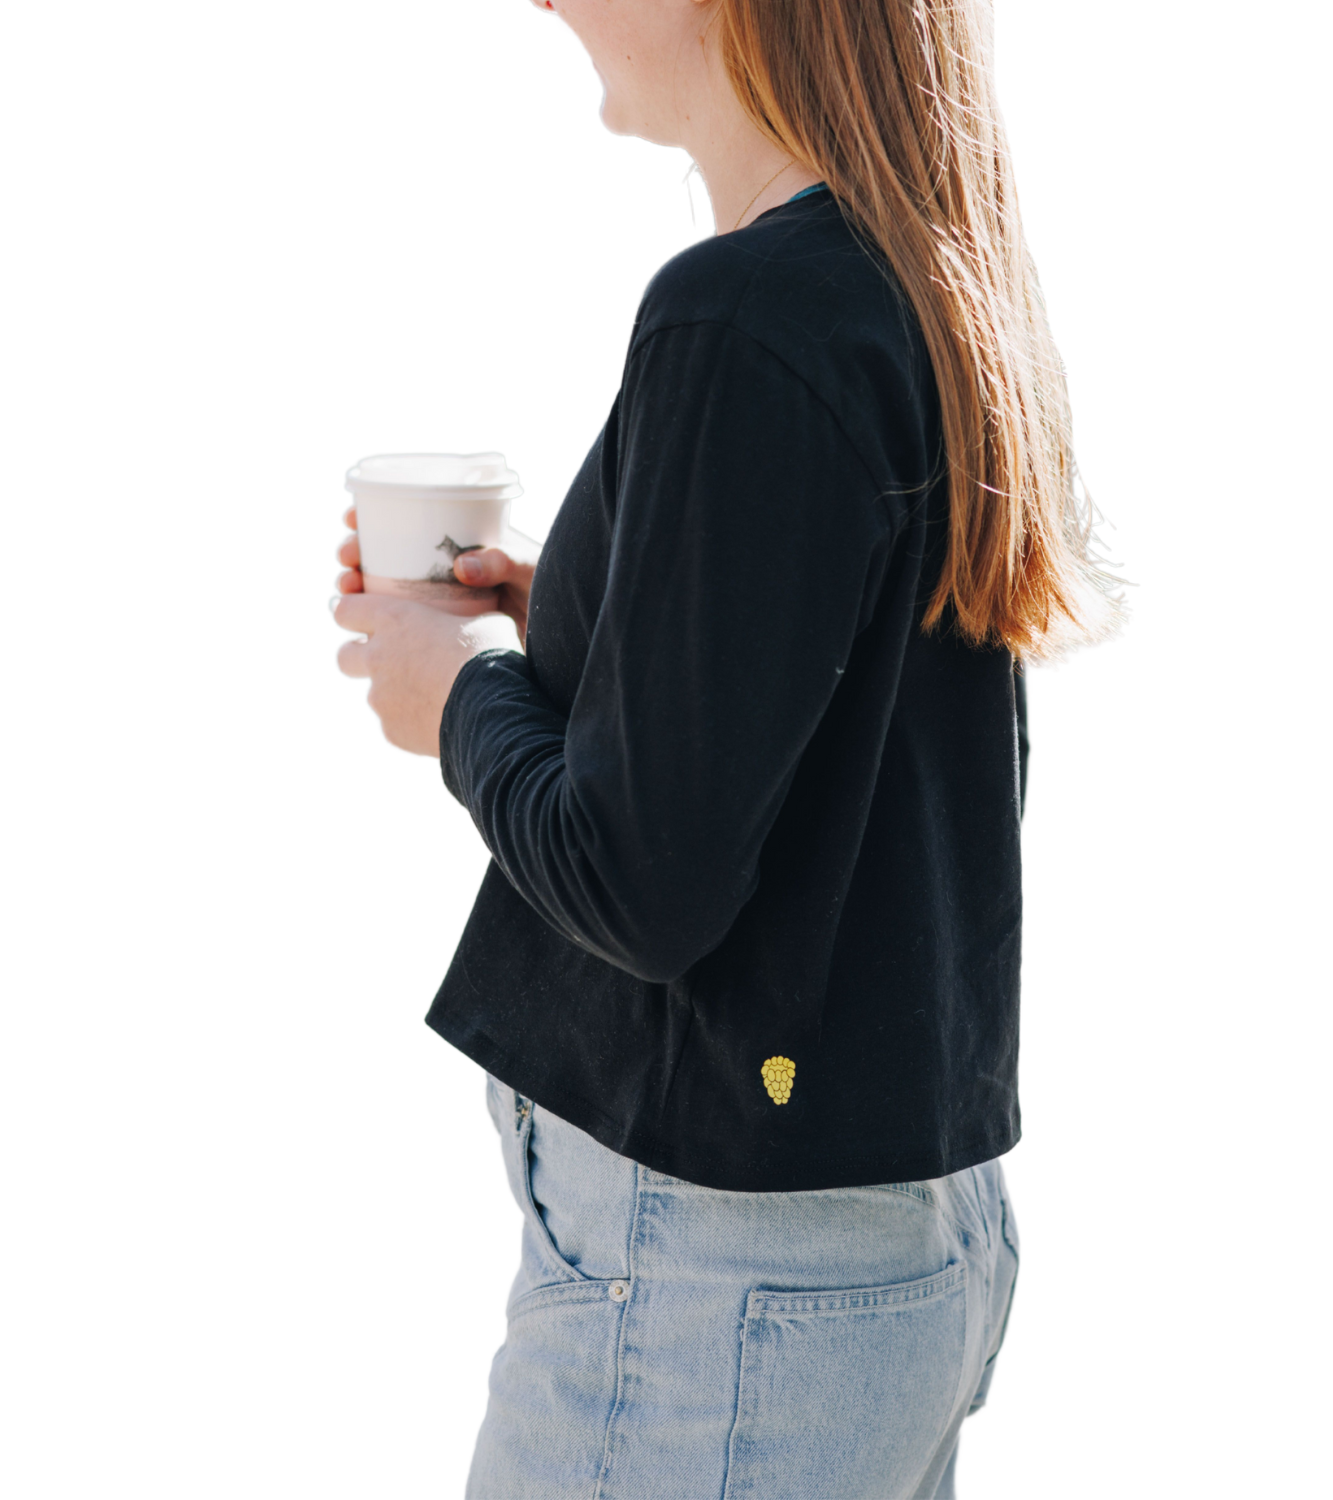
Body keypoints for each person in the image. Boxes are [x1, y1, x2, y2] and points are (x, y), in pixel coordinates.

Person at [333, 0, 1120, 1492]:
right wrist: (566, 613)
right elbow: (828, 723)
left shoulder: (740, 314)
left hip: (708, 1286)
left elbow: (643, 882)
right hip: (889, 1245)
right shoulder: (923, 287)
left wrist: (459, 699)